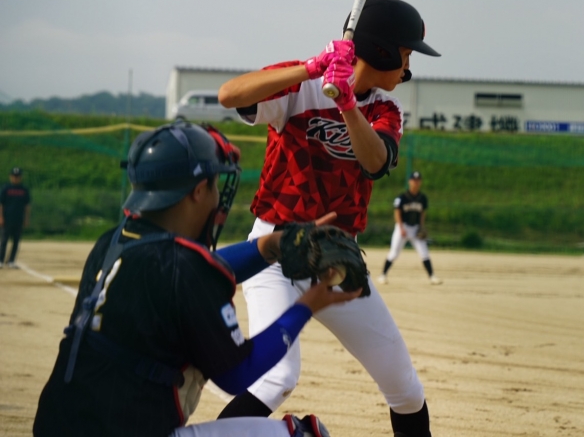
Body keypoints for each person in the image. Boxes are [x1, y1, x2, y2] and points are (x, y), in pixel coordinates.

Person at [33, 121, 360, 437]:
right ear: (198, 191)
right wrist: (306, 306)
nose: (218, 196)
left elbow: (192, 273)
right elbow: (238, 374)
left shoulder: (113, 242)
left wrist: (270, 246)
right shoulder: (183, 268)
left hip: (56, 425)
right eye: (215, 185)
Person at [216, 0, 441, 436]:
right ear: (380, 51)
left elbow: (375, 161)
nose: (408, 66)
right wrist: (310, 69)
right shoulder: (302, 85)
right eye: (405, 54)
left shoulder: (384, 109)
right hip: (274, 254)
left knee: (405, 388)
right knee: (277, 377)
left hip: (337, 261)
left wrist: (347, 102)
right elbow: (230, 95)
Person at [378, 171, 442, 285]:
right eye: (414, 180)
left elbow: (422, 214)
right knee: (394, 253)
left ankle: (432, 276)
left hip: (415, 229)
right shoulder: (402, 197)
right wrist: (401, 227)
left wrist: (421, 227)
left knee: (424, 253)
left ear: (420, 182)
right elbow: (397, 212)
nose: (416, 182)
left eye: (418, 180)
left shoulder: (423, 198)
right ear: (409, 182)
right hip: (402, 227)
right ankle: (383, 275)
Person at [0, 167, 31, 269]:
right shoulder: (6, 188)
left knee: (16, 241)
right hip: (7, 218)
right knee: (4, 240)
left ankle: (11, 261)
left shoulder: (24, 190)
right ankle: (1, 260)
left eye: (18, 176)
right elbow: (1, 204)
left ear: (20, 177)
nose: (16, 178)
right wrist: (1, 217)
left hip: (18, 219)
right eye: (14, 176)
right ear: (10, 176)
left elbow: (27, 206)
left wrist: (26, 219)